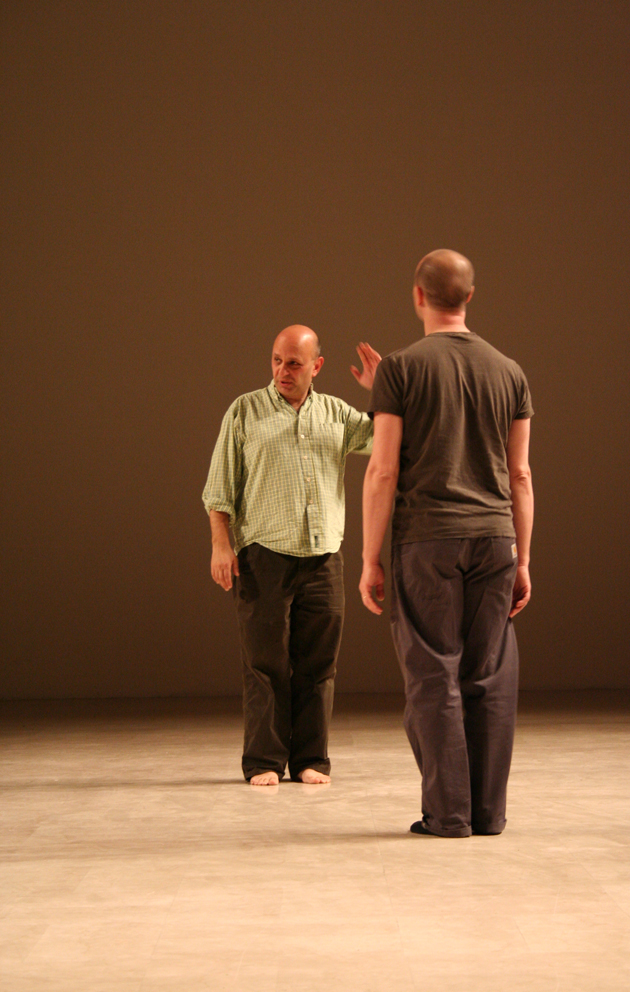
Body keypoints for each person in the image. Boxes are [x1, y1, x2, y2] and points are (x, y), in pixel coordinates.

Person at [360, 250, 534, 837]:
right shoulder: (509, 370)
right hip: (496, 538)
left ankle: (449, 814)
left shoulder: (401, 368)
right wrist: (524, 559)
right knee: (489, 676)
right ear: (470, 297)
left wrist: (369, 558)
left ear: (418, 296)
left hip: (427, 541)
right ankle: (488, 814)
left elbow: (383, 470)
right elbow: (520, 476)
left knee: (434, 675)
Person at [203, 324, 380, 786]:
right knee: (264, 665)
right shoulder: (245, 411)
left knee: (319, 665)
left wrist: (382, 391)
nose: (283, 370)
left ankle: (310, 759)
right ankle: (263, 760)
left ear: (316, 366)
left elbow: (387, 438)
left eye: (295, 363)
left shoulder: (337, 414)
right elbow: (219, 487)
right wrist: (221, 544)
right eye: (277, 360)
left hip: (324, 558)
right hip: (264, 556)